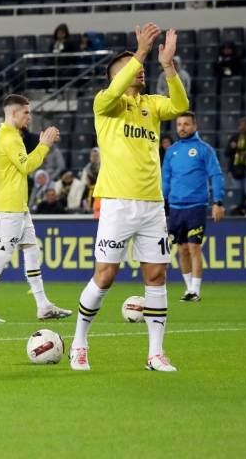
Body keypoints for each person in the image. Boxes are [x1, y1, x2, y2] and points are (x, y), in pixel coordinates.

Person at [69, 24, 187, 372]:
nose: (140, 73)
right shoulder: (105, 104)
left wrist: (168, 65)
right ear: (116, 76)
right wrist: (139, 53)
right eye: (131, 70)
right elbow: (119, 84)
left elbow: (181, 105)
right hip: (117, 202)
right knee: (105, 275)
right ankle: (79, 342)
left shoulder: (151, 104)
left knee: (156, 277)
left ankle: (155, 353)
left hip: (152, 204)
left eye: (140, 69)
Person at [0, 94, 70, 323]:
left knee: (32, 250)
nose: (30, 116)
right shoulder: (9, 138)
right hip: (10, 206)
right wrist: (44, 145)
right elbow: (27, 166)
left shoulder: (7, 134)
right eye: (26, 112)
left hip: (18, 205)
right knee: (3, 254)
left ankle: (43, 305)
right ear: (13, 113)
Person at [162, 112, 224, 303]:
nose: (182, 127)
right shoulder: (171, 151)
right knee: (182, 249)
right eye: (179, 124)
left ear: (194, 126)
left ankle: (195, 289)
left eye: (186, 124)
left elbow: (216, 175)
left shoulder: (204, 149)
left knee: (194, 246)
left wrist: (218, 202)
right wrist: (162, 202)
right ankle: (189, 289)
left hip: (196, 205)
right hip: (175, 207)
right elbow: (165, 179)